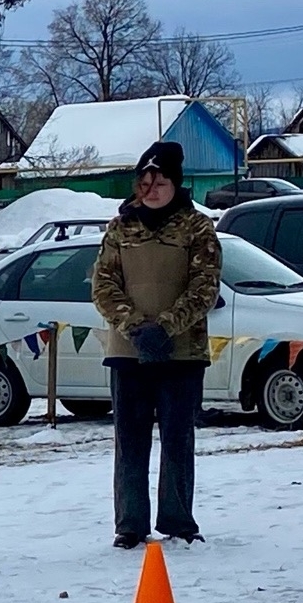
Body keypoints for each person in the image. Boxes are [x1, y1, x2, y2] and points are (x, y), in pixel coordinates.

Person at [90, 141, 220, 548]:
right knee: (130, 442)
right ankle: (130, 524)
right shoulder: (119, 228)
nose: (151, 188)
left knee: (178, 440)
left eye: (160, 180)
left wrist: (165, 328)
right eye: (144, 181)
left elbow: (205, 287)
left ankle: (179, 521)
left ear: (175, 183)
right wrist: (136, 328)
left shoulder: (197, 227)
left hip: (180, 352)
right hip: (129, 352)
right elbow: (103, 284)